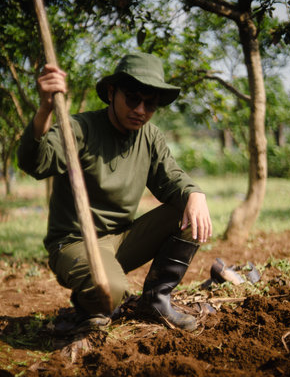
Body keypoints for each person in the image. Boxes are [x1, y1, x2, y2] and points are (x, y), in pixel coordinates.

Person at [18, 53, 212, 333]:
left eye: (151, 104)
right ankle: (90, 301)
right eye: (133, 98)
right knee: (112, 293)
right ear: (111, 92)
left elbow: (172, 181)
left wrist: (195, 194)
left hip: (121, 241)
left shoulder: (150, 137)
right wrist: (45, 109)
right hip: (74, 243)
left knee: (191, 213)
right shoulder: (80, 129)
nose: (141, 110)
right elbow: (34, 162)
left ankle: (156, 301)